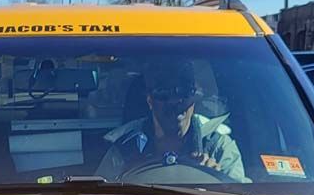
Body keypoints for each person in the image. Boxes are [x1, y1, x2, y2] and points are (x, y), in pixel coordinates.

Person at [97, 60, 245, 182]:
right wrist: (123, 177)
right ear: (150, 100)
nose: (174, 101)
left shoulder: (219, 147)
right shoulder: (124, 149)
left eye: (183, 91)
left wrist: (219, 179)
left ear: (194, 98)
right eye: (163, 93)